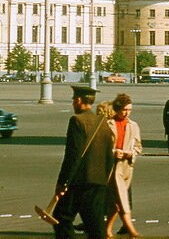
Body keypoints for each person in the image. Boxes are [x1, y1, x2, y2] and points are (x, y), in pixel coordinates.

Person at [53, 85, 115, 239]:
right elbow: (109, 157)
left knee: (61, 216)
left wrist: (63, 182)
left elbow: (73, 155)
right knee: (95, 224)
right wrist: (104, 179)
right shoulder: (103, 123)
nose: (73, 103)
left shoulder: (77, 121)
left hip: (80, 181)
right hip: (99, 181)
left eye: (74, 100)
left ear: (79, 100)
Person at [106, 94, 142, 238]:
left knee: (117, 200)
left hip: (127, 166)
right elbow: (103, 146)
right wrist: (114, 152)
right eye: (124, 110)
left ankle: (106, 229)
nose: (127, 113)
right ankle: (132, 230)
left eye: (129, 110)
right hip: (113, 166)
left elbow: (138, 146)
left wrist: (130, 153)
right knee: (122, 198)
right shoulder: (108, 124)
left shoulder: (133, 125)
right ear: (117, 108)